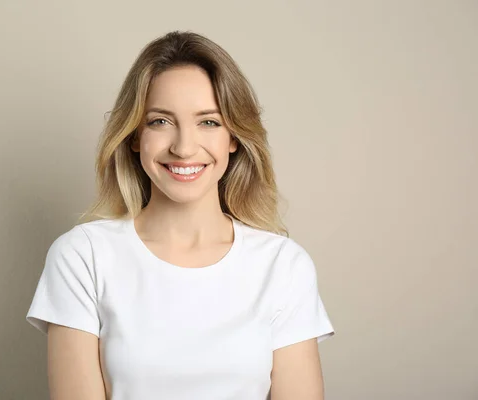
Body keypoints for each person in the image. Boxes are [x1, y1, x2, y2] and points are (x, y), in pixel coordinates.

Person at [26, 30, 335, 400]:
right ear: (134, 136)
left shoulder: (283, 266)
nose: (184, 147)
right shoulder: (83, 257)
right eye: (160, 121)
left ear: (233, 137)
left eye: (209, 122)